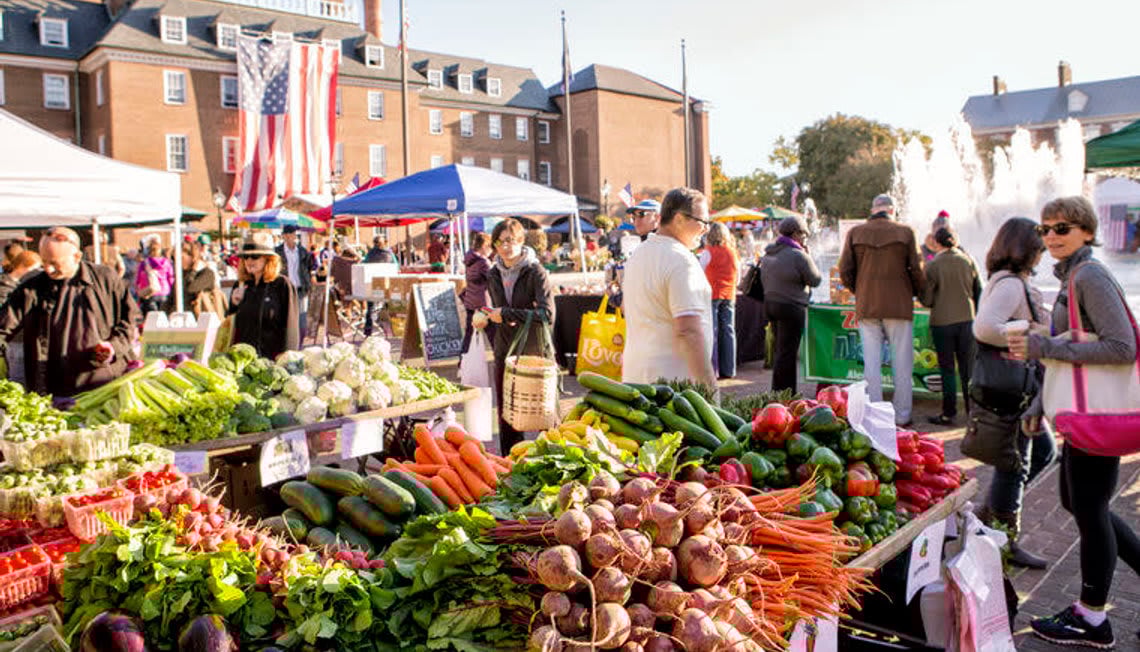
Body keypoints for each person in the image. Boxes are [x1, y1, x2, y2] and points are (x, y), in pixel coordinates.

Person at [1007, 197, 1140, 649]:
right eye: (1045, 229)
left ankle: (1092, 617)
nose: (1050, 236)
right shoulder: (1073, 278)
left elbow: (1122, 347)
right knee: (1080, 502)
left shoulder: (1091, 277)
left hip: (1098, 415)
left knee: (1089, 507)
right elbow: (1067, 349)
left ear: (1086, 230)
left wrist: (1045, 347)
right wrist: (1037, 405)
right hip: (1081, 414)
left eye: (1062, 227)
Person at [971, 216, 1054, 570]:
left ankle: (991, 518)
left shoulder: (1009, 281)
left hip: (1013, 384)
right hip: (1013, 386)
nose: (1043, 253)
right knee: (1015, 463)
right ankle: (1003, 538)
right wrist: (1030, 329)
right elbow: (985, 328)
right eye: (1039, 247)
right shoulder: (1011, 285)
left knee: (1037, 455)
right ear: (1026, 249)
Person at [0, 227, 138, 396]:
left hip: (107, 385)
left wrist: (114, 346)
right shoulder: (31, 289)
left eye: (55, 263)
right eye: (44, 262)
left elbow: (130, 321)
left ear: (77, 256)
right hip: (56, 389)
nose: (48, 269)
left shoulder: (106, 278)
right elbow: (4, 326)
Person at [838, 193, 925, 426]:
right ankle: (902, 415)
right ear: (893, 210)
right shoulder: (906, 232)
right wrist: (916, 292)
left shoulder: (856, 233)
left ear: (873, 209)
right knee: (902, 362)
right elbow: (917, 269)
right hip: (899, 304)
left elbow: (844, 269)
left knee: (871, 363)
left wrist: (860, 289)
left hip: (867, 305)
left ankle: (874, 413)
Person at [621, 187, 716, 390]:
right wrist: (710, 389)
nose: (707, 229)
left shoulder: (638, 255)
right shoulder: (681, 260)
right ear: (679, 218)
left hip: (636, 378)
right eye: (702, 222)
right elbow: (689, 330)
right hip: (672, 389)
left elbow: (624, 308)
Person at [480, 218, 555, 453]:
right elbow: (499, 310)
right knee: (507, 410)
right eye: (500, 242)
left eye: (510, 240)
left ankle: (551, 458)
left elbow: (547, 314)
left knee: (542, 412)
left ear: (521, 241)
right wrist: (486, 315)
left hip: (533, 349)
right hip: (505, 348)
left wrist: (508, 313)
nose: (505, 246)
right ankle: (510, 462)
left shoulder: (535, 272)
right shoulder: (493, 273)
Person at [920, 226, 982, 425]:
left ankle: (949, 413)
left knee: (947, 369)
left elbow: (927, 300)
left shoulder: (932, 265)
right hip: (967, 321)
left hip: (942, 323)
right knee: (968, 369)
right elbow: (979, 290)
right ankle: (973, 412)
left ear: (936, 243)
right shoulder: (968, 260)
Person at [761, 216, 822, 393]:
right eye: (804, 235)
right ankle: (786, 395)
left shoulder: (770, 252)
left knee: (781, 352)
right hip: (791, 307)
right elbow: (816, 280)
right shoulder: (798, 255)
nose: (805, 239)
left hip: (771, 305)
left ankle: (778, 391)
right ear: (796, 234)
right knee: (787, 355)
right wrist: (808, 255)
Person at [229, 231, 300, 360]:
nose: (249, 260)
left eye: (255, 256)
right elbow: (230, 327)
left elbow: (291, 329)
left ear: (268, 259)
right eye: (245, 257)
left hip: (272, 361)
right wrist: (234, 304)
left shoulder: (282, 285)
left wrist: (288, 361)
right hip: (243, 362)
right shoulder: (240, 286)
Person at [702, 222, 739, 379]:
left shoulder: (708, 252)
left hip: (712, 293)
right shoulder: (733, 252)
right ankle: (729, 369)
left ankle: (714, 369)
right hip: (729, 294)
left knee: (713, 332)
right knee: (728, 331)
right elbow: (738, 276)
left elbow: (699, 272)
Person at [275, 225, 315, 339]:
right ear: (283, 236)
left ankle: (300, 343)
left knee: (302, 320)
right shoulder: (278, 252)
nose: (288, 237)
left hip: (300, 289)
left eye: (291, 235)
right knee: (286, 318)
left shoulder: (302, 251)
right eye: (286, 235)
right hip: (284, 290)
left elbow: (308, 268)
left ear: (294, 235)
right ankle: (287, 342)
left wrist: (308, 284)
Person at [165, 240, 223, 317]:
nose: (177, 262)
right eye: (174, 259)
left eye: (181, 258)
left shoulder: (206, 273)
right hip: (177, 317)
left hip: (198, 318)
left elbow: (191, 288)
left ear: (192, 257)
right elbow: (171, 298)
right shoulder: (181, 274)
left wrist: (193, 271)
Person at [462, 232, 495, 353]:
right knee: (493, 335)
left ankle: (463, 361)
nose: (492, 251)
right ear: (485, 246)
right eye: (491, 247)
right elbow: (493, 281)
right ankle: (500, 361)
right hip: (484, 304)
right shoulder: (483, 263)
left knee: (469, 335)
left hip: (470, 301)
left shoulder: (469, 260)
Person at [135, 239, 174, 316]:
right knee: (164, 317)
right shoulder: (166, 262)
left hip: (152, 292)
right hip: (165, 292)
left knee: (153, 318)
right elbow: (171, 277)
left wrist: (139, 290)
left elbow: (138, 279)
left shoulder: (145, 263)